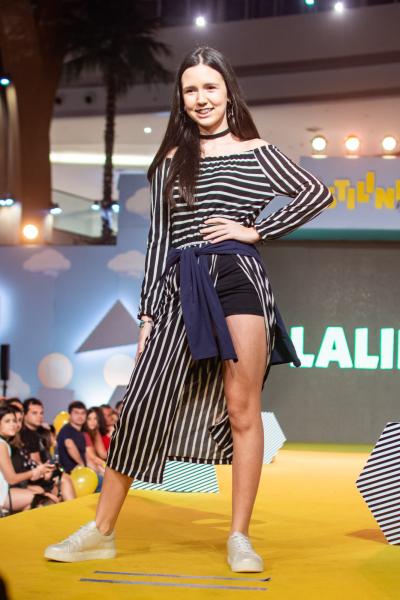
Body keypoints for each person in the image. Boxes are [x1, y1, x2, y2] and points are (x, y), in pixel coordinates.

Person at [44, 46, 333, 569]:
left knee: (242, 409)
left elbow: (316, 193)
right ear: (181, 99)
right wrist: (147, 316)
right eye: (190, 89)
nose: (201, 98)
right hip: (183, 283)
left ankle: (239, 536)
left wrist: (257, 230)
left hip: (239, 278)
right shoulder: (171, 161)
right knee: (139, 405)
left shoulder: (257, 151)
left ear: (228, 92)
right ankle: (101, 530)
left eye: (210, 87)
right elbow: (159, 241)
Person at [0, 404, 55, 513]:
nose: (13, 425)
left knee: (39, 499)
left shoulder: (4, 443)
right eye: (7, 421)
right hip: (3, 495)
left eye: (14, 421)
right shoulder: (1, 445)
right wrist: (35, 471)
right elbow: (11, 479)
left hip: (5, 492)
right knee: (43, 501)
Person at [57, 401, 96, 474]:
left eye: (83, 413)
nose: (80, 416)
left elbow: (86, 457)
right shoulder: (66, 430)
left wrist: (97, 472)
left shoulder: (81, 434)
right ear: (70, 415)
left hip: (82, 472)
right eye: (76, 413)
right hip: (70, 473)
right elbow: (69, 445)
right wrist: (82, 465)